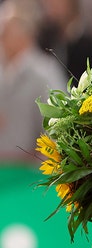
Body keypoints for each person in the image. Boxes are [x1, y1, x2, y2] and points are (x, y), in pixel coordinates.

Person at [0, 0, 66, 162]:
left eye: (6, 26)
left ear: (24, 31)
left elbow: (59, 130)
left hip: (29, 174)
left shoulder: (45, 73)